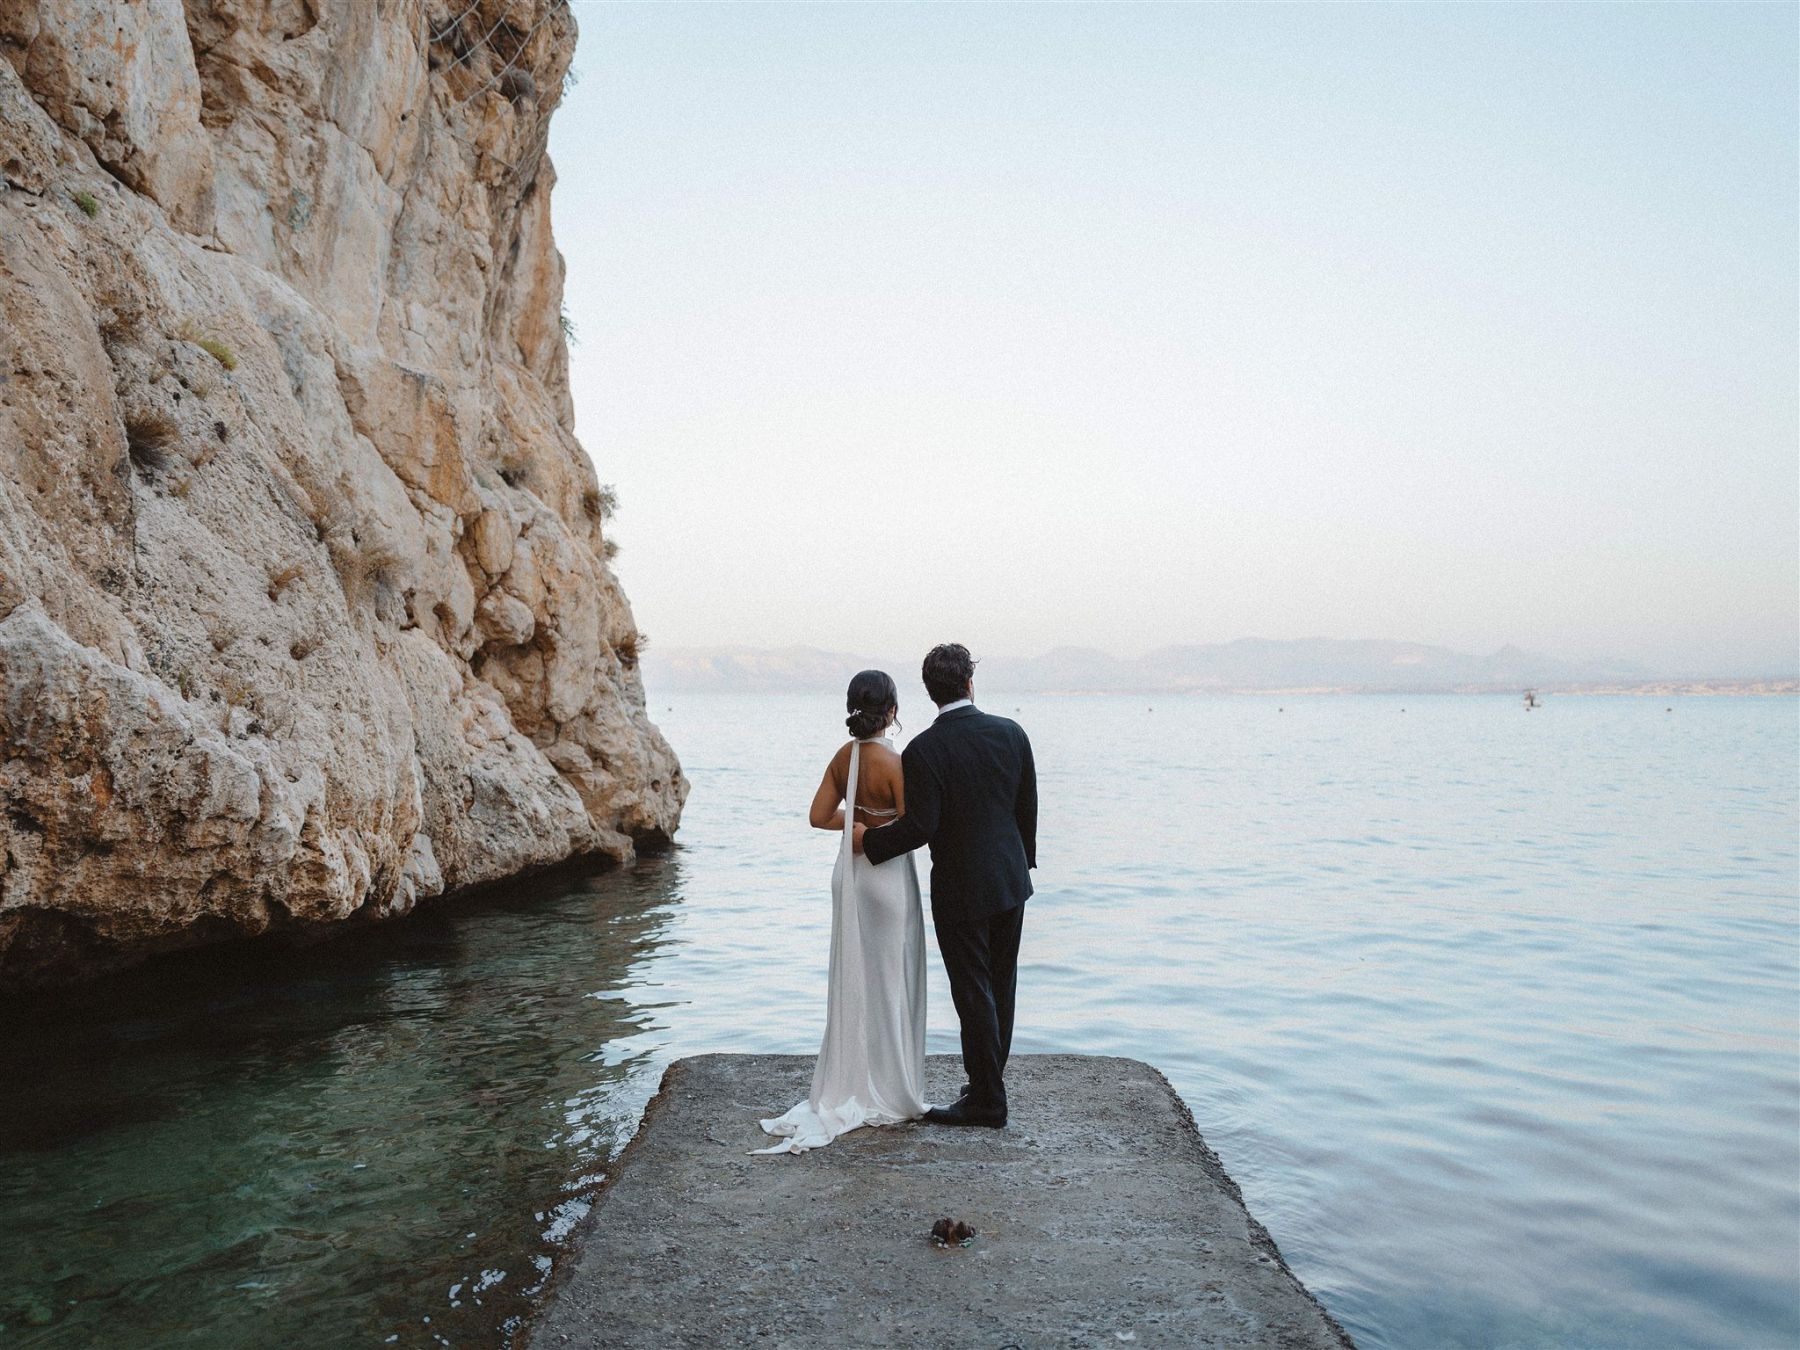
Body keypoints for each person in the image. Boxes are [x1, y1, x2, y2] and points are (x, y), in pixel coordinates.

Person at [856, 643, 1036, 1128]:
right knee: (1002, 984)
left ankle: (987, 1103)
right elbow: (1026, 808)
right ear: (969, 683)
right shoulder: (1011, 733)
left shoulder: (924, 750)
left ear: (930, 692)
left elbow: (922, 827)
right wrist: (1025, 863)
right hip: (1011, 881)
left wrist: (867, 842)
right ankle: (985, 1083)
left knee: (973, 991)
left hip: (960, 888)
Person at [755, 670, 928, 1153]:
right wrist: (876, 831)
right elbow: (915, 824)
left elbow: (818, 817)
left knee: (853, 977)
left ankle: (848, 1080)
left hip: (849, 875)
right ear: (891, 711)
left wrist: (854, 826)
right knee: (889, 979)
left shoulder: (842, 758)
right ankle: (889, 1085)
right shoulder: (896, 762)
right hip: (887, 876)